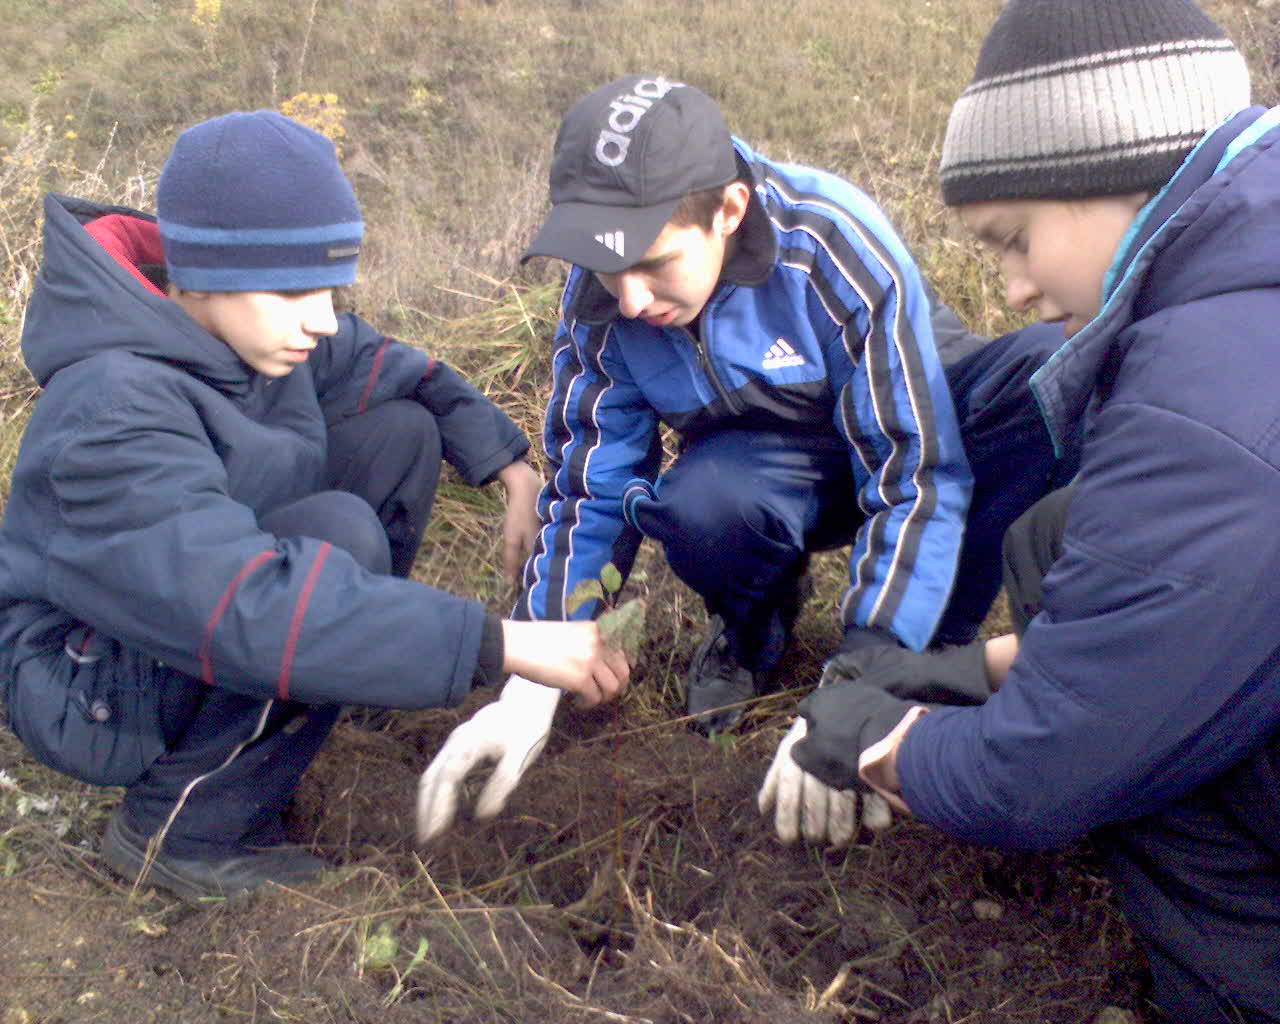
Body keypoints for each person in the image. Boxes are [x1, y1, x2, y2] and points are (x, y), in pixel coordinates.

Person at [416, 74, 1076, 842]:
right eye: (606, 267)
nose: (629, 300)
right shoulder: (604, 298)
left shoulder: (828, 241)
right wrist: (533, 677)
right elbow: (591, 485)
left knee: (1046, 373)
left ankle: (928, 654)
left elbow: (914, 469)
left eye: (654, 263)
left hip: (919, 415)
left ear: (728, 212)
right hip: (774, 461)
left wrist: (864, 678)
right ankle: (753, 636)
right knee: (704, 504)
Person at [786, 1, 1280, 1019]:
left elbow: (1036, 778)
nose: (1008, 289)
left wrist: (877, 739)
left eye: (1012, 239)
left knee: (1161, 773)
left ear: (1112, 172)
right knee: (1055, 535)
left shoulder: (1200, 404)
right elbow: (1200, 596)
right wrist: (968, 669)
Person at [0, 110, 629, 902]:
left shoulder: (247, 326)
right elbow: (246, 607)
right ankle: (182, 829)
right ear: (198, 273)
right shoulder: (112, 407)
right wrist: (499, 644)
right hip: (87, 683)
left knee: (398, 430)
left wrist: (511, 469)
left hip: (198, 599)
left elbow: (408, 372)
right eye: (296, 290)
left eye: (332, 286)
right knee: (336, 541)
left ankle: (324, 689)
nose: (323, 318)